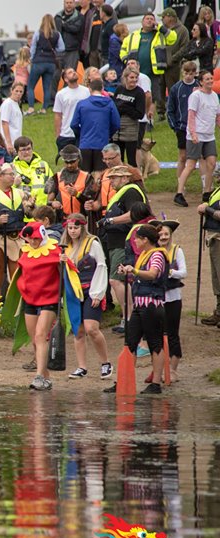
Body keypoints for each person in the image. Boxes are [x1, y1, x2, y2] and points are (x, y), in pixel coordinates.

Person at [103, 224, 166, 394]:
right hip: (140, 305)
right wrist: (128, 272)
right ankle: (124, 380)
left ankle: (156, 383)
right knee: (130, 343)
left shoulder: (157, 255)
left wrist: (135, 270)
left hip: (152, 305)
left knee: (155, 344)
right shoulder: (145, 254)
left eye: (137, 238)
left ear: (145, 240)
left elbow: (153, 274)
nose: (135, 241)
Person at [14, 222, 68, 390]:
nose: (32, 242)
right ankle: (45, 376)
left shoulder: (55, 252)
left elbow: (68, 276)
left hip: (49, 299)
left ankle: (38, 377)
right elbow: (20, 273)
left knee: (40, 335)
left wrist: (63, 264)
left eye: (36, 238)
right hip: (30, 300)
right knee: (35, 341)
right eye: (30, 238)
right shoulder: (25, 252)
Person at [59, 212, 112, 379]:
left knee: (91, 328)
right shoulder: (64, 248)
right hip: (73, 293)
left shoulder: (92, 244)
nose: (73, 231)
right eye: (70, 228)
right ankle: (82, 367)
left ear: (82, 227)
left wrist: (98, 293)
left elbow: (102, 267)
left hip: (92, 290)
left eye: (76, 228)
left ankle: (105, 363)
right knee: (78, 331)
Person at [97, 165, 147, 334]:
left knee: (117, 280)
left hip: (123, 241)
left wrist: (110, 221)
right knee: (118, 280)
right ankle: (129, 318)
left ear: (126, 178)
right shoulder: (123, 192)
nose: (111, 181)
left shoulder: (131, 191)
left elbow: (135, 214)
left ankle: (130, 319)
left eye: (115, 177)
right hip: (116, 241)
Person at [0, 163, 31, 294]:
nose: (13, 177)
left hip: (16, 239)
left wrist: (31, 206)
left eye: (13, 174)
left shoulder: (20, 193)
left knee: (18, 276)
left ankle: (17, 306)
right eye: (10, 174)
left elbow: (29, 213)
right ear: (0, 176)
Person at [119, 11, 176, 122]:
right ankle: (137, 117)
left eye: (152, 19)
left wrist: (160, 27)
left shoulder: (160, 35)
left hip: (153, 71)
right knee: (135, 94)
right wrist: (126, 60)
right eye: (147, 18)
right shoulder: (133, 35)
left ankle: (149, 120)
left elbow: (173, 38)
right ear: (142, 21)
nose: (149, 20)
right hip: (135, 72)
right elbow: (123, 49)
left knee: (152, 96)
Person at [175, 70, 220, 207]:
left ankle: (207, 192)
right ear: (201, 81)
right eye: (207, 79)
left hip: (209, 135)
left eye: (211, 78)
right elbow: (191, 116)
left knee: (211, 163)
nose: (210, 81)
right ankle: (179, 193)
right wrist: (193, 133)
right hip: (197, 135)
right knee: (190, 164)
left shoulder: (214, 96)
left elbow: (217, 116)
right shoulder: (195, 96)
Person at [70, 79, 121, 173]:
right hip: (102, 144)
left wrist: (81, 134)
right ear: (102, 88)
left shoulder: (82, 104)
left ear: (89, 88)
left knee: (84, 175)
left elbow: (74, 124)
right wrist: (107, 134)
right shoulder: (109, 103)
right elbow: (116, 124)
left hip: (85, 143)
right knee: (100, 175)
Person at [156, 220, 183, 382]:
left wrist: (170, 271)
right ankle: (160, 369)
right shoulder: (153, 252)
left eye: (166, 234)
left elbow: (184, 272)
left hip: (173, 297)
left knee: (172, 333)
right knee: (158, 334)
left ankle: (173, 369)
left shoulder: (177, 251)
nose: (164, 237)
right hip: (158, 298)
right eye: (161, 234)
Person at [48, 145, 95, 219]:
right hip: (62, 221)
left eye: (72, 162)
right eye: (66, 162)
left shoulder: (87, 178)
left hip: (81, 221)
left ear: (78, 159)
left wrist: (77, 194)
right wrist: (53, 203)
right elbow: (48, 202)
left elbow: (91, 201)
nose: (69, 165)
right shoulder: (56, 177)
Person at [196, 188, 220, 326]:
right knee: (216, 278)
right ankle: (219, 311)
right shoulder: (217, 190)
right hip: (214, 238)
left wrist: (207, 210)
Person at [159, 8, 188, 121]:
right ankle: (161, 112)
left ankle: (175, 111)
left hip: (173, 66)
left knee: (173, 89)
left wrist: (172, 60)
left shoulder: (182, 30)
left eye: (163, 17)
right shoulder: (162, 30)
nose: (162, 19)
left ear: (170, 17)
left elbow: (184, 48)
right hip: (160, 64)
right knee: (160, 87)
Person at [53, 67, 89, 153]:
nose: (73, 73)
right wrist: (58, 135)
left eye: (74, 71)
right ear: (65, 79)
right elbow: (58, 115)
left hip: (83, 133)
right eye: (70, 72)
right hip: (67, 133)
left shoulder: (86, 91)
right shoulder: (61, 94)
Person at [12, 136, 54, 209]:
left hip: (42, 211)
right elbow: (2, 192)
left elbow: (53, 186)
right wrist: (14, 185)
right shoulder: (11, 168)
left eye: (29, 149)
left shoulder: (43, 165)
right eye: (23, 150)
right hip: (22, 212)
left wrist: (50, 205)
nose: (27, 152)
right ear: (16, 152)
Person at [0, 82, 25, 156]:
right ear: (11, 91)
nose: (18, 93)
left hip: (17, 139)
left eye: (21, 91)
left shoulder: (16, 104)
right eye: (16, 91)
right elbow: (4, 123)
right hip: (9, 141)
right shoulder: (8, 104)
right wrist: (8, 143)